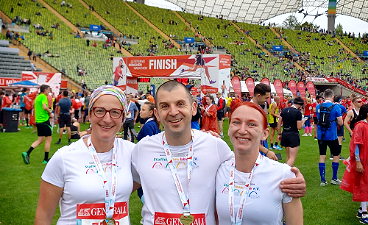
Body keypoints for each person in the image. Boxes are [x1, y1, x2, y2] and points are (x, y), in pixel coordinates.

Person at [131, 80, 306, 225]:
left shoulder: (215, 146)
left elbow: (246, 169)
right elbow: (119, 184)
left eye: (180, 104)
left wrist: (291, 180)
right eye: (164, 106)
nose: (173, 111)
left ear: (193, 108)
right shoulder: (142, 149)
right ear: (157, 113)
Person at [34, 85, 138, 224]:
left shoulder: (133, 152)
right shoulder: (64, 157)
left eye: (115, 112)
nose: (107, 119)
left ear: (123, 117)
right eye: (100, 111)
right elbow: (43, 216)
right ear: (89, 114)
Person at [216, 101, 303, 224]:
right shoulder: (218, 169)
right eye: (236, 122)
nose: (242, 130)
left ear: (264, 134)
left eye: (251, 124)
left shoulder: (283, 175)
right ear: (229, 129)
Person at [340, 104, 368, 224]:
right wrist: (358, 161)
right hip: (362, 161)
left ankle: (362, 210)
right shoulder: (360, 126)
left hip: (366, 160)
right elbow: (356, 143)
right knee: (363, 186)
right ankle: (364, 214)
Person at [316, 89, 343, 186]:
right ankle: (334, 178)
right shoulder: (336, 107)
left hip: (321, 135)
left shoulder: (318, 106)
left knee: (322, 156)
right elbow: (340, 122)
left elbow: (317, 119)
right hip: (332, 135)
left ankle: (323, 180)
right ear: (332, 97)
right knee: (336, 155)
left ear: (323, 96)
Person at [22, 85, 54, 164]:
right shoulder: (43, 96)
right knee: (48, 139)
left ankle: (27, 153)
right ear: (45, 90)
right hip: (44, 121)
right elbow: (44, 107)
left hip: (38, 121)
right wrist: (50, 113)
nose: (49, 91)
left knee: (40, 140)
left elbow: (34, 105)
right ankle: (45, 159)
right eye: (48, 90)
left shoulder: (38, 97)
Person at [278, 97, 306, 166]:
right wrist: (303, 121)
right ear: (299, 105)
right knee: (292, 157)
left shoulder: (284, 110)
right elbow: (299, 127)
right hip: (293, 134)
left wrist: (279, 133)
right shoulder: (297, 113)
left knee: (288, 157)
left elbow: (279, 123)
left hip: (285, 133)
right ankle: (285, 172)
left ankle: (287, 173)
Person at [334, 96, 347, 160]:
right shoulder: (342, 106)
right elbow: (346, 113)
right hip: (339, 123)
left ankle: (332, 154)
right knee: (339, 139)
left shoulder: (332, 106)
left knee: (334, 139)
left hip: (333, 124)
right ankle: (338, 155)